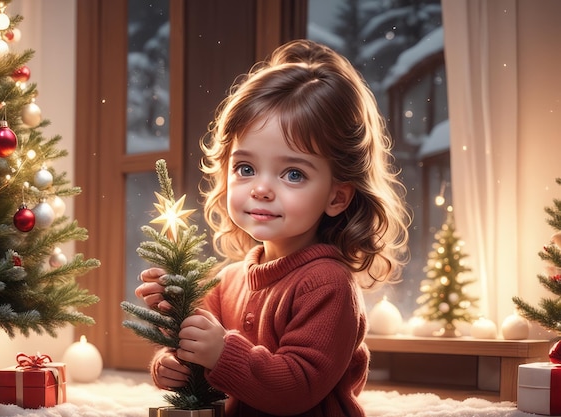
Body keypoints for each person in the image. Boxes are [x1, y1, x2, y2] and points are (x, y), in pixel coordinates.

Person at [135, 39, 410, 417]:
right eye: (245, 168)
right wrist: (173, 355)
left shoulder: (328, 285)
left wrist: (220, 351)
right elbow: (202, 366)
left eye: (293, 173)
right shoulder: (226, 281)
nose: (261, 189)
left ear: (337, 197)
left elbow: (295, 390)